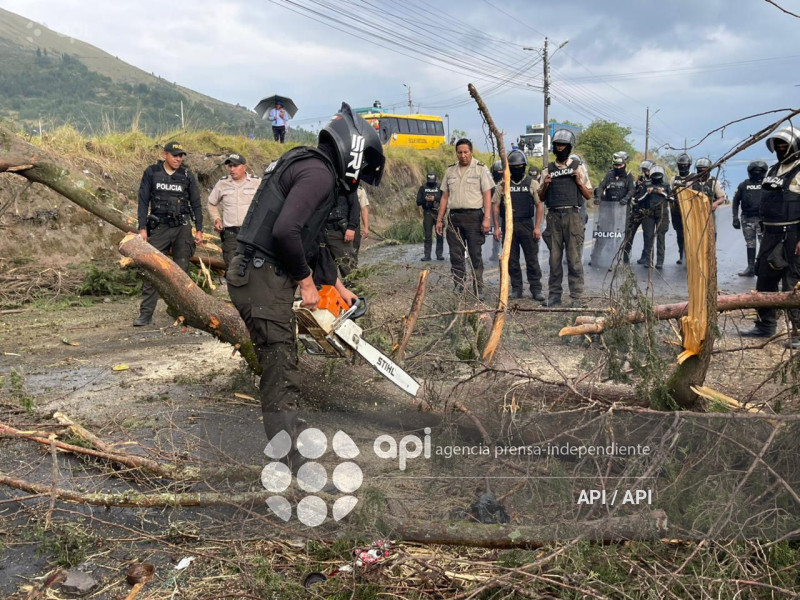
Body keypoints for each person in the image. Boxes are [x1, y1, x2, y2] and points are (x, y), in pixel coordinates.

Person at [226, 102, 384, 468]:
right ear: (353, 154)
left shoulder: (312, 166)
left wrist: (336, 285)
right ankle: (291, 460)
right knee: (280, 367)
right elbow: (285, 232)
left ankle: (290, 439)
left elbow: (309, 239)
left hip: (259, 274)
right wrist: (307, 283)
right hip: (262, 276)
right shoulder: (319, 174)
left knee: (281, 361)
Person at [741, 126, 800, 347]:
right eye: (778, 145)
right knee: (764, 278)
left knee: (793, 284)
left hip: (794, 234)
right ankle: (765, 325)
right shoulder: (773, 170)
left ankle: (798, 331)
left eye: (785, 145)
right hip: (770, 233)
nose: (781, 149)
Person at [134, 141, 204, 326]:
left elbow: (196, 203)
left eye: (181, 155)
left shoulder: (187, 175)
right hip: (159, 227)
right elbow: (143, 200)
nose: (179, 159)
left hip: (182, 228)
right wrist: (142, 228)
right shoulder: (152, 172)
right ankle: (146, 314)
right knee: (153, 269)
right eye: (175, 155)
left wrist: (199, 228)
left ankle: (184, 315)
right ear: (165, 155)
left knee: (182, 273)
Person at [539, 129, 593, 307]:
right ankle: (554, 296)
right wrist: (545, 185)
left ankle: (576, 296)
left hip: (573, 216)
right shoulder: (547, 169)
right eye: (557, 145)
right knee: (554, 260)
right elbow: (540, 197)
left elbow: (588, 195)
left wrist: (578, 181)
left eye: (563, 145)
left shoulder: (578, 167)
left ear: (569, 147)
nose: (560, 148)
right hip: (553, 216)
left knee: (574, 259)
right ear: (553, 147)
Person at [435, 138, 494, 299]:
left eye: (466, 152)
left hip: (474, 217)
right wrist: (439, 219)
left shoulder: (480, 169)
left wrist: (487, 218)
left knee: (475, 254)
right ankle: (459, 286)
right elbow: (445, 197)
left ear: (471, 152)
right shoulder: (450, 171)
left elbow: (487, 194)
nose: (463, 156)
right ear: (456, 153)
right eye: (460, 152)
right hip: (454, 218)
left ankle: (478, 289)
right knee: (456, 255)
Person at [491, 149, 544, 301]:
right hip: (509, 226)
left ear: (525, 166)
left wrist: (537, 227)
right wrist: (496, 227)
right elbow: (495, 206)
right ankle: (516, 289)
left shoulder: (532, 183)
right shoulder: (503, 185)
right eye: (513, 166)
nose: (517, 169)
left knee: (532, 259)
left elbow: (539, 205)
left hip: (527, 224)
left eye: (520, 166)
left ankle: (536, 289)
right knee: (512, 260)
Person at [207, 153, 260, 268]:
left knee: (253, 267)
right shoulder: (223, 183)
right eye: (230, 166)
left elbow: (267, 202)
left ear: (244, 167)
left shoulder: (257, 182)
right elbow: (211, 203)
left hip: (251, 233)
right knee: (232, 267)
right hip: (231, 234)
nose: (232, 169)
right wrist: (217, 219)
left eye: (235, 166)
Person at [590, 152, 634, 270]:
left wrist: (626, 198)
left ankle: (620, 259)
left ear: (624, 164)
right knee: (603, 233)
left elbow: (631, 190)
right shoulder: (609, 175)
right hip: (608, 209)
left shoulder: (629, 176)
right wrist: (598, 197)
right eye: (616, 165)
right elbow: (600, 187)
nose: (618, 168)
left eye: (620, 165)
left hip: (622, 210)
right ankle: (595, 257)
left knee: (621, 236)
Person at [732, 160, 768, 277]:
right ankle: (751, 268)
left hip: (764, 220)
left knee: (764, 244)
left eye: (759, 171)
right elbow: (735, 201)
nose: (757, 173)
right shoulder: (743, 185)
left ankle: (764, 267)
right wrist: (735, 218)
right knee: (750, 244)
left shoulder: (768, 184)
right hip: (747, 219)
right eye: (754, 171)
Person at [634, 165, 670, 269]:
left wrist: (662, 192)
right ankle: (648, 260)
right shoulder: (646, 185)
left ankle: (659, 261)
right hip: (648, 214)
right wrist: (647, 193)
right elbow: (639, 199)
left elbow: (672, 198)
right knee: (648, 237)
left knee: (660, 237)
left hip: (662, 214)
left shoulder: (666, 185)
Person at [621, 159, 654, 265]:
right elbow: (633, 191)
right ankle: (625, 256)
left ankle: (646, 257)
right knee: (629, 234)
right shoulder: (640, 179)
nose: (645, 173)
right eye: (644, 170)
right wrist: (637, 185)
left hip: (647, 211)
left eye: (647, 170)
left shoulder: (655, 180)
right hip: (636, 210)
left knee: (648, 236)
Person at [326, 185, 361, 279]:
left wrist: (351, 227)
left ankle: (355, 291)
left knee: (349, 269)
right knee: (325, 270)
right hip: (322, 232)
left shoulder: (346, 182)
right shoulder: (319, 180)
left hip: (340, 232)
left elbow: (355, 206)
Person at [692, 157, 727, 233]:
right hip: (694, 214)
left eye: (704, 169)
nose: (701, 171)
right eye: (699, 169)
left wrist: (715, 203)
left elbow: (722, 198)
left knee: (711, 234)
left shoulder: (714, 182)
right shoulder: (691, 182)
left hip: (709, 214)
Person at [670, 153, 692, 264]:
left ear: (689, 165)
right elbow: (670, 193)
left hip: (689, 211)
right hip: (677, 211)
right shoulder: (674, 178)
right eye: (680, 165)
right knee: (679, 235)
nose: (683, 167)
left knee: (689, 235)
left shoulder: (694, 178)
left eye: (685, 165)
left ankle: (688, 256)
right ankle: (681, 256)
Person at [416, 172, 444, 261]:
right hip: (427, 213)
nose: (431, 182)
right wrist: (425, 199)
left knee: (439, 234)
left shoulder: (440, 187)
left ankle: (439, 254)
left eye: (432, 181)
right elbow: (418, 202)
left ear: (435, 179)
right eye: (429, 181)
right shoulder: (423, 188)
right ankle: (427, 255)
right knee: (428, 235)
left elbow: (445, 199)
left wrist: (434, 198)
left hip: (438, 212)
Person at [489, 160, 503, 261]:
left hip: (504, 209)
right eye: (498, 171)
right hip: (493, 209)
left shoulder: (507, 181)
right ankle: (495, 253)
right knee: (496, 230)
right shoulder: (490, 182)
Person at [353, 185, 370, 266]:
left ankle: (352, 270)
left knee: (354, 249)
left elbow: (364, 209)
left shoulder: (360, 190)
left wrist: (366, 227)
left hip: (354, 224)